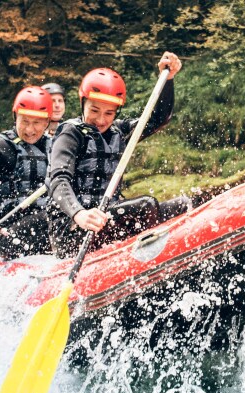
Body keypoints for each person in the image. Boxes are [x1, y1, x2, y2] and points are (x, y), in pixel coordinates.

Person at [46, 52, 192, 258]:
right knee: (146, 205)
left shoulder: (120, 132)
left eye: (109, 113)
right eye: (94, 110)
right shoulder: (70, 133)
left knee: (183, 204)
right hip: (73, 228)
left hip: (108, 215)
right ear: (83, 103)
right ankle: (147, 262)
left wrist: (168, 80)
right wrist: (79, 214)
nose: (100, 119)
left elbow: (159, 118)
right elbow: (58, 180)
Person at [0, 86, 55, 260]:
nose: (30, 130)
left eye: (37, 123)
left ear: (47, 122)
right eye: (25, 121)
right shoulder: (0, 147)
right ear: (15, 117)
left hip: (45, 225)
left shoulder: (56, 146)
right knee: (57, 219)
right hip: (8, 232)